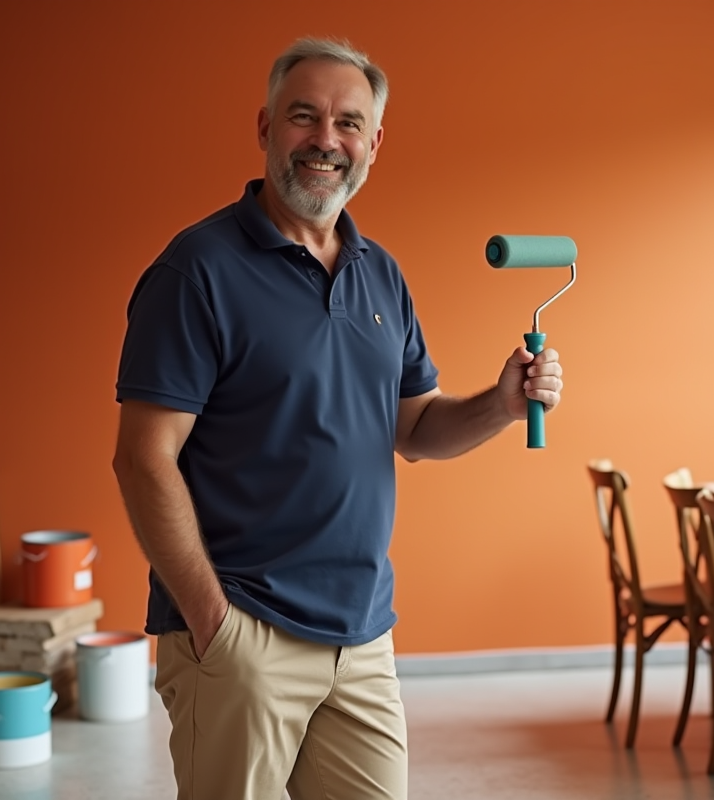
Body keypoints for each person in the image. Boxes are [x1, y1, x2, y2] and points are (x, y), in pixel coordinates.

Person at [111, 36, 564, 800]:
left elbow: (415, 430)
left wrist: (503, 404)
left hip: (362, 638)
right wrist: (215, 625)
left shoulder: (380, 273)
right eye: (304, 117)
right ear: (264, 128)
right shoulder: (197, 272)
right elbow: (143, 458)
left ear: (374, 143)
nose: (327, 140)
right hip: (243, 633)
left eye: (349, 123)